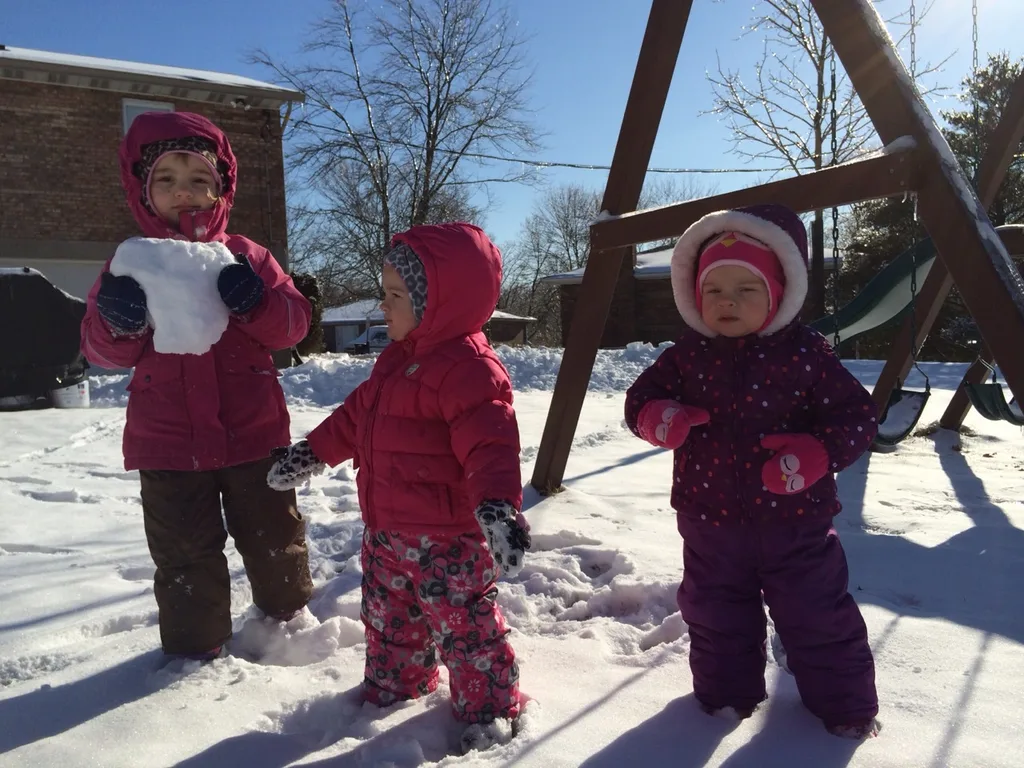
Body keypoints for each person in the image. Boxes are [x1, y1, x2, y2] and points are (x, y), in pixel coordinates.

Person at [267, 222, 530, 752]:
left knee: (467, 629)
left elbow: (490, 446)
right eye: (383, 293)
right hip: (386, 534)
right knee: (390, 622)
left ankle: (489, 709)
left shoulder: (470, 371)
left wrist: (497, 508)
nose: (382, 306)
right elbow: (351, 421)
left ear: (439, 301)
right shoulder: (394, 363)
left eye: (394, 295)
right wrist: (310, 454)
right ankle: (394, 687)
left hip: (447, 542)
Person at [624, 204, 880, 739]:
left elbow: (856, 417)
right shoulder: (687, 357)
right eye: (715, 290)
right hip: (710, 521)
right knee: (717, 616)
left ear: (780, 292)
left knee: (817, 615)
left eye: (747, 288)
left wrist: (818, 453)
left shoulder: (806, 355)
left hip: (797, 524)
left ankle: (845, 709)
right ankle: (724, 700)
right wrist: (658, 417)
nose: (728, 302)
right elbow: (639, 400)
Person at [80, 111, 313, 661]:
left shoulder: (246, 256)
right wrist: (119, 320)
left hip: (253, 436)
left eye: (199, 180)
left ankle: (289, 622)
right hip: (167, 442)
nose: (184, 192)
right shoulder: (130, 263)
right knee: (184, 552)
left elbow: (294, 323)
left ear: (221, 189)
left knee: (273, 534)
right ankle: (195, 650)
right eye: (167, 180)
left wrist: (255, 301)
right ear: (143, 190)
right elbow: (100, 349)